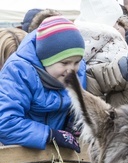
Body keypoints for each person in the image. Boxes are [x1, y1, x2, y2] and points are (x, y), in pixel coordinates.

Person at [0, 16, 86, 152]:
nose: (71, 70)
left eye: (76, 62)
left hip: (57, 156)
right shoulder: (19, 71)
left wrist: (75, 122)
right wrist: (49, 135)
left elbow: (80, 104)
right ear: (45, 60)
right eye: (64, 63)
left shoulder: (78, 71)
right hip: (20, 151)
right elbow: (5, 123)